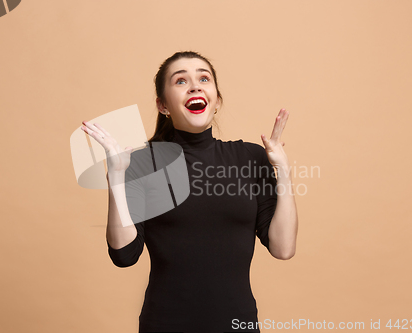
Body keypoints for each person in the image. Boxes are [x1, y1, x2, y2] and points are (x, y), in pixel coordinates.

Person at [81, 51, 298, 333]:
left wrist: (283, 170)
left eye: (203, 78)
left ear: (216, 100)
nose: (195, 85)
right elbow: (125, 255)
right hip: (165, 324)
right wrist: (117, 178)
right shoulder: (143, 164)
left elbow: (283, 248)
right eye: (181, 81)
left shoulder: (250, 158)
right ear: (162, 105)